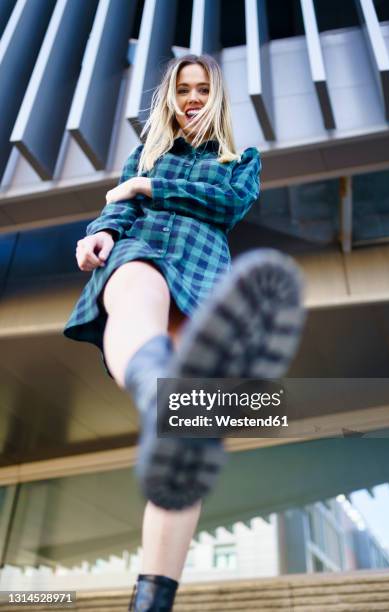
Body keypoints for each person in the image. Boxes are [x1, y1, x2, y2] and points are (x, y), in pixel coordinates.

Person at [64, 54, 304, 611]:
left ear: (215, 96)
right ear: (169, 98)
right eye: (183, 89)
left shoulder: (238, 160)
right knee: (134, 291)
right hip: (142, 250)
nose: (192, 97)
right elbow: (116, 212)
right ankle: (154, 393)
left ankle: (152, 600)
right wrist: (97, 235)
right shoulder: (144, 154)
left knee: (186, 439)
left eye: (202, 89)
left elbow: (229, 203)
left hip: (203, 273)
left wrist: (148, 187)